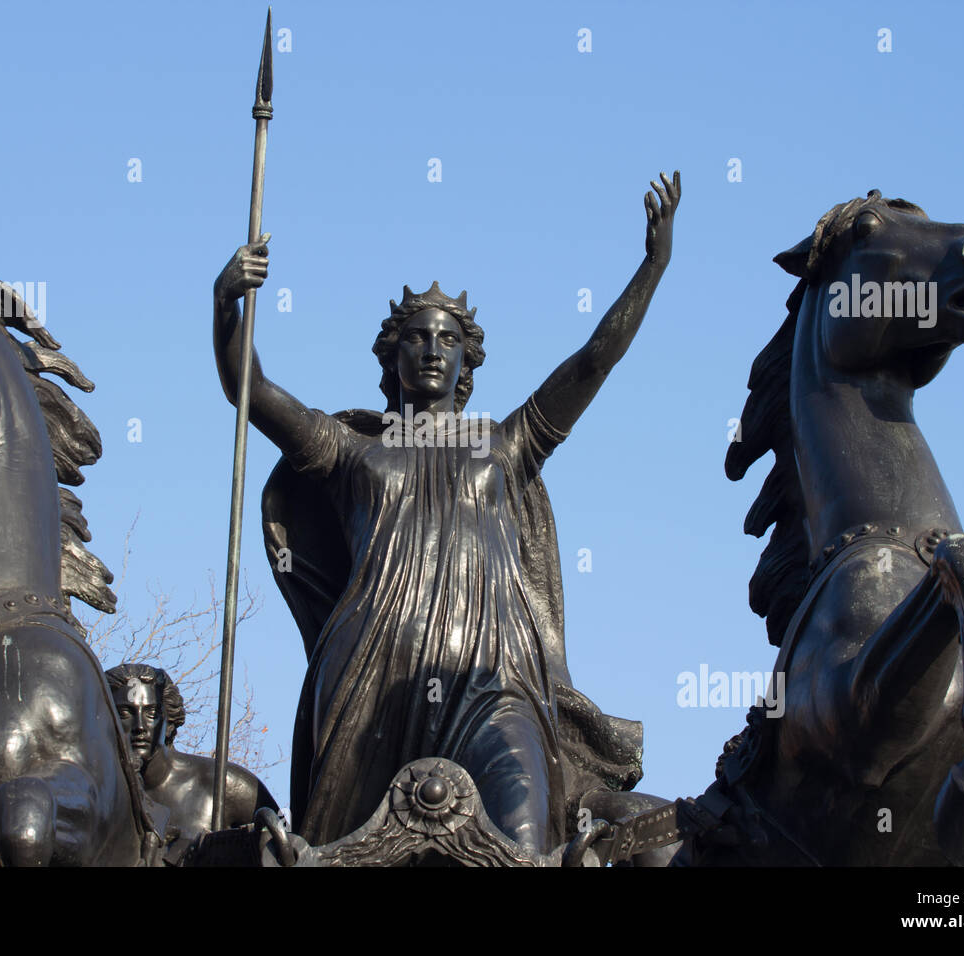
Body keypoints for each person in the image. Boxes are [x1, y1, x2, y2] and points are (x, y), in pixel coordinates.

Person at [213, 172, 680, 853]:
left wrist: (653, 266)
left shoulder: (506, 445)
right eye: (417, 337)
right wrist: (227, 304)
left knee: (522, 841)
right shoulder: (351, 452)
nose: (432, 347)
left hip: (496, 679)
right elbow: (249, 388)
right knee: (337, 851)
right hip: (372, 676)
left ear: (467, 363)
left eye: (446, 339)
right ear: (392, 354)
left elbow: (594, 360)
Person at [105, 663, 277, 856]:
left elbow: (291, 845)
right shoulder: (93, 793)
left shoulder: (224, 785)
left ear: (169, 722)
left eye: (151, 714)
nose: (140, 727)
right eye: (125, 714)